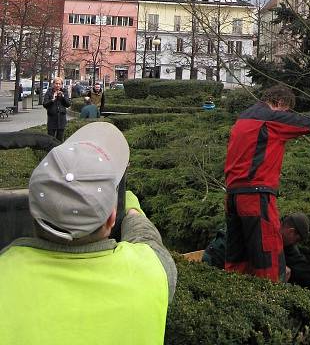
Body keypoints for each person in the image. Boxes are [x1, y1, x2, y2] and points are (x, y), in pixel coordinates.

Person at [0, 122, 177, 345]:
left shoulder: (6, 271)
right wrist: (132, 209)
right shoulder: (155, 272)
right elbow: (147, 238)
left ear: (32, 211)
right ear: (112, 218)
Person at [224, 83, 310, 282]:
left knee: (238, 258)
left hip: (232, 195)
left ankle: (234, 299)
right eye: (286, 111)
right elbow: (306, 122)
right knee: (269, 259)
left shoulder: (243, 118)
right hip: (256, 195)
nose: (287, 114)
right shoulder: (269, 119)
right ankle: (269, 307)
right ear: (280, 103)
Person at [203, 211, 310, 290]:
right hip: (217, 257)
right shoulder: (264, 230)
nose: (295, 244)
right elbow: (256, 255)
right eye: (297, 240)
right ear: (291, 231)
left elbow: (298, 263)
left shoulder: (285, 242)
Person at [43, 76, 71, 142]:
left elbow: (68, 104)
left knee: (60, 139)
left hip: (61, 119)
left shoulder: (64, 91)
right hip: (52, 119)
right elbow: (45, 104)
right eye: (56, 83)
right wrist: (52, 99)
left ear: (61, 85)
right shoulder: (49, 92)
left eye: (59, 84)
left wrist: (63, 97)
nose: (58, 85)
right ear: (53, 84)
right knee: (50, 138)